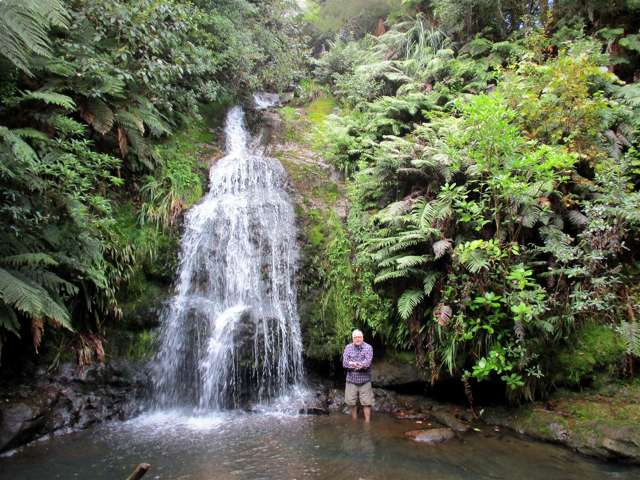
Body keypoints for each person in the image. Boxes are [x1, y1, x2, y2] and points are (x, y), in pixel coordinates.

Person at [342, 329, 374, 422]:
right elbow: (345, 363)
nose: (357, 339)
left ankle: (367, 423)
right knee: (352, 403)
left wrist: (353, 363)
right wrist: (359, 365)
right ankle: (354, 421)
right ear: (352, 339)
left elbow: (367, 363)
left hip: (365, 381)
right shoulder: (348, 348)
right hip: (351, 380)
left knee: (367, 403)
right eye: (355, 337)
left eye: (359, 337)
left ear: (363, 337)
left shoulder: (368, 348)